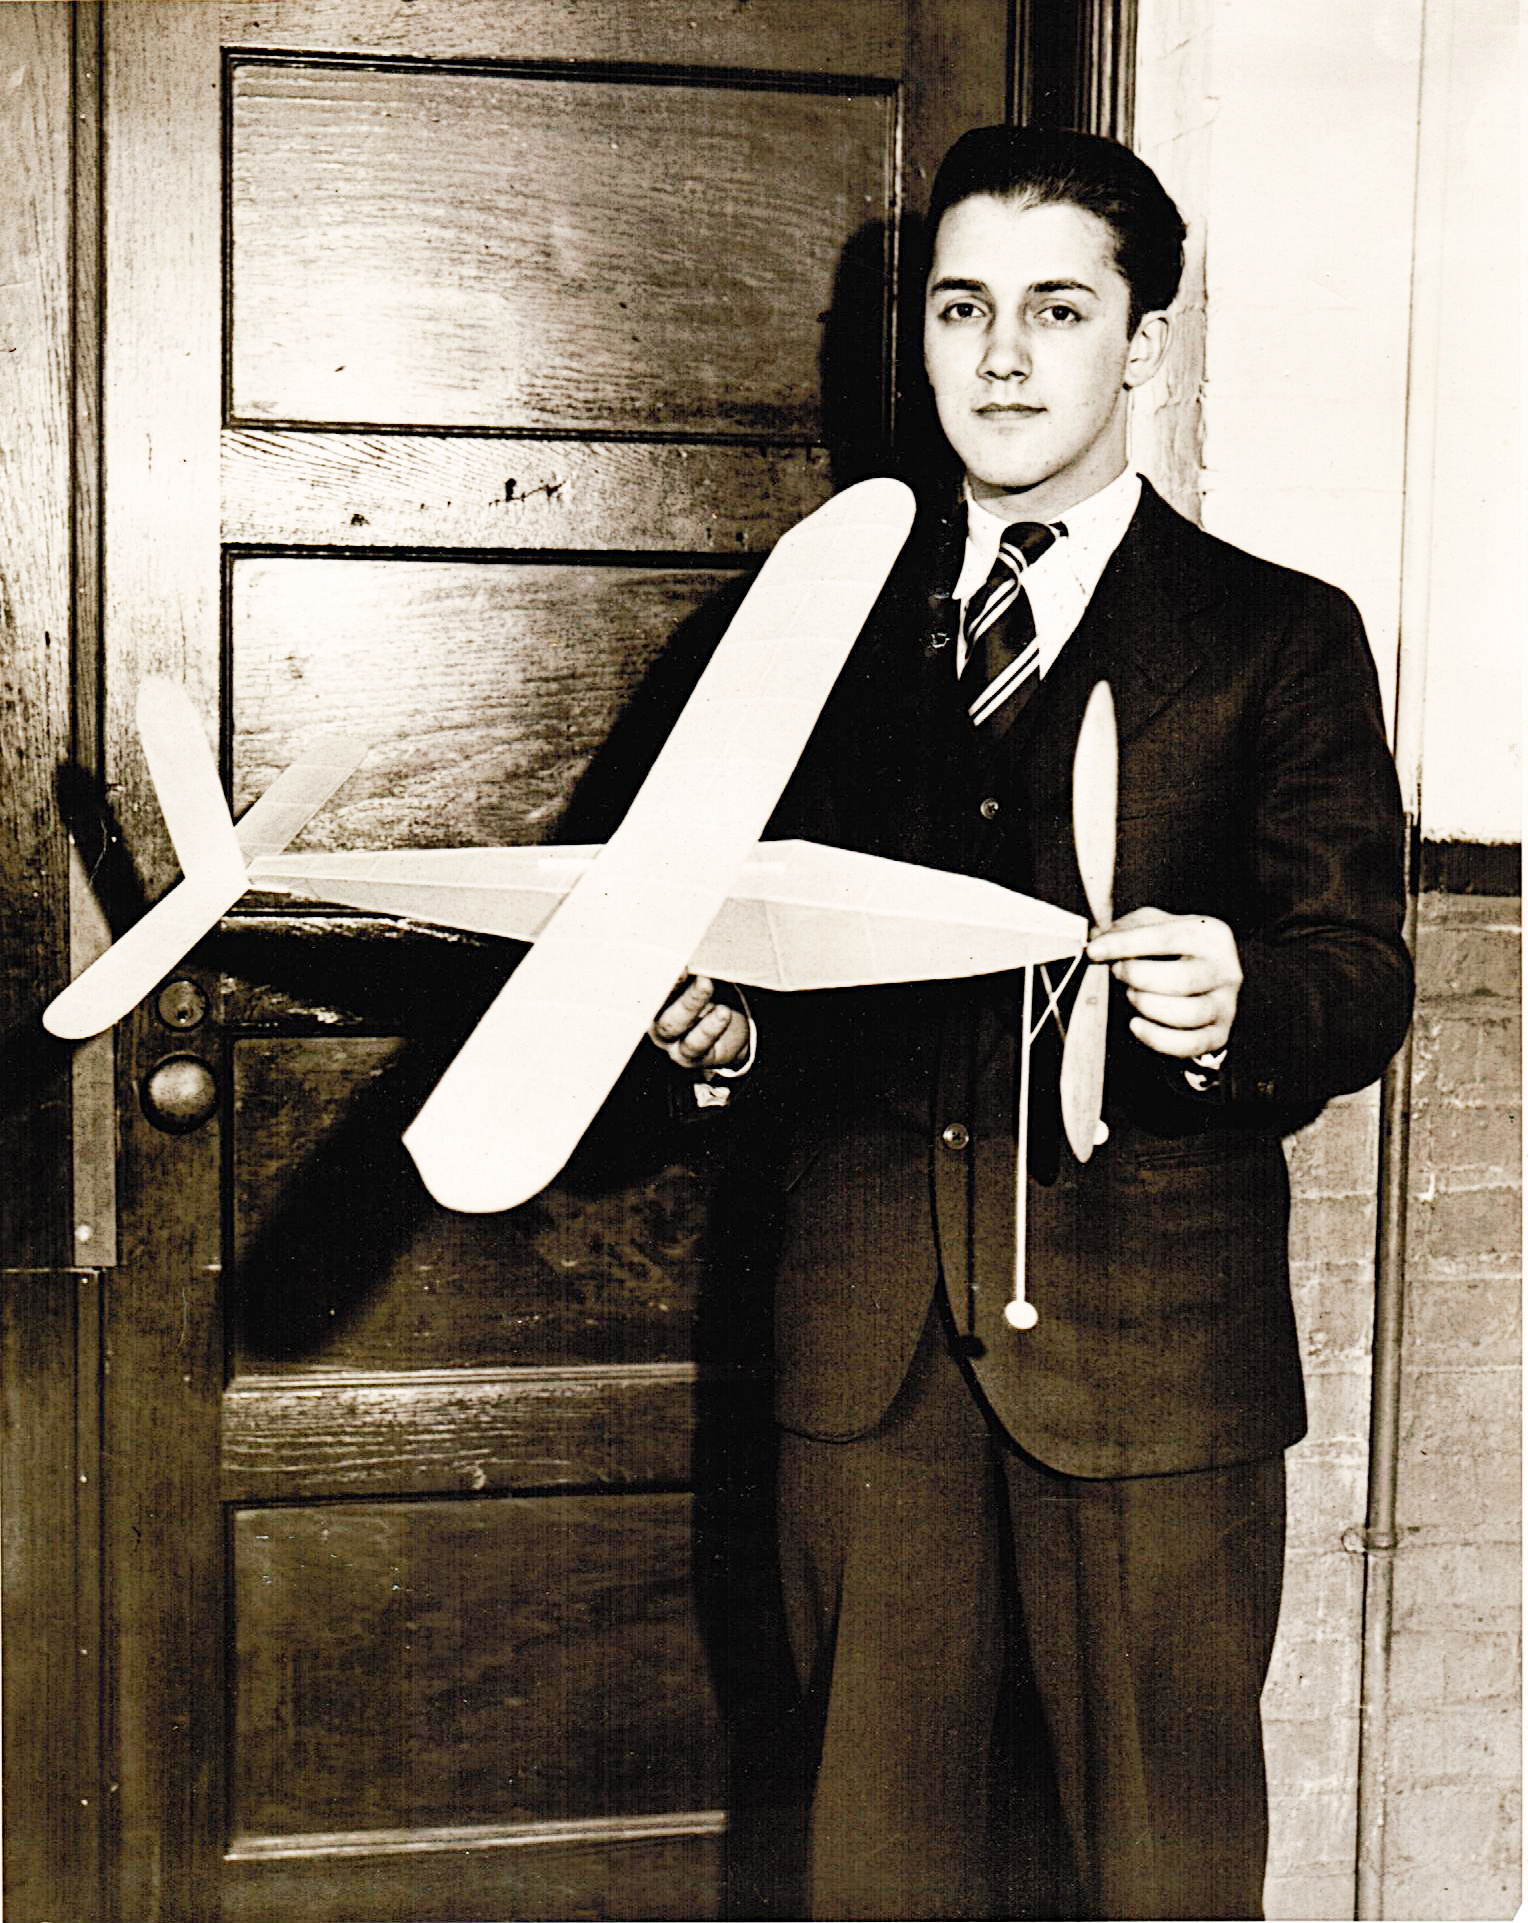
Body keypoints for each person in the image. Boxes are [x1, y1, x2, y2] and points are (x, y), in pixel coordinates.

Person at [648, 125, 1412, 1921]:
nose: (1001, 355)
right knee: (875, 1868)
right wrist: (729, 1039)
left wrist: (1240, 1002)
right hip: (866, 1365)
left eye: (1058, 311)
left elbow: (1357, 969)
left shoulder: (1279, 638)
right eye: (961, 308)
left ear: (1143, 346)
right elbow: (772, 957)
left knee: (1158, 1873)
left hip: (1156, 1373)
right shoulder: (805, 631)